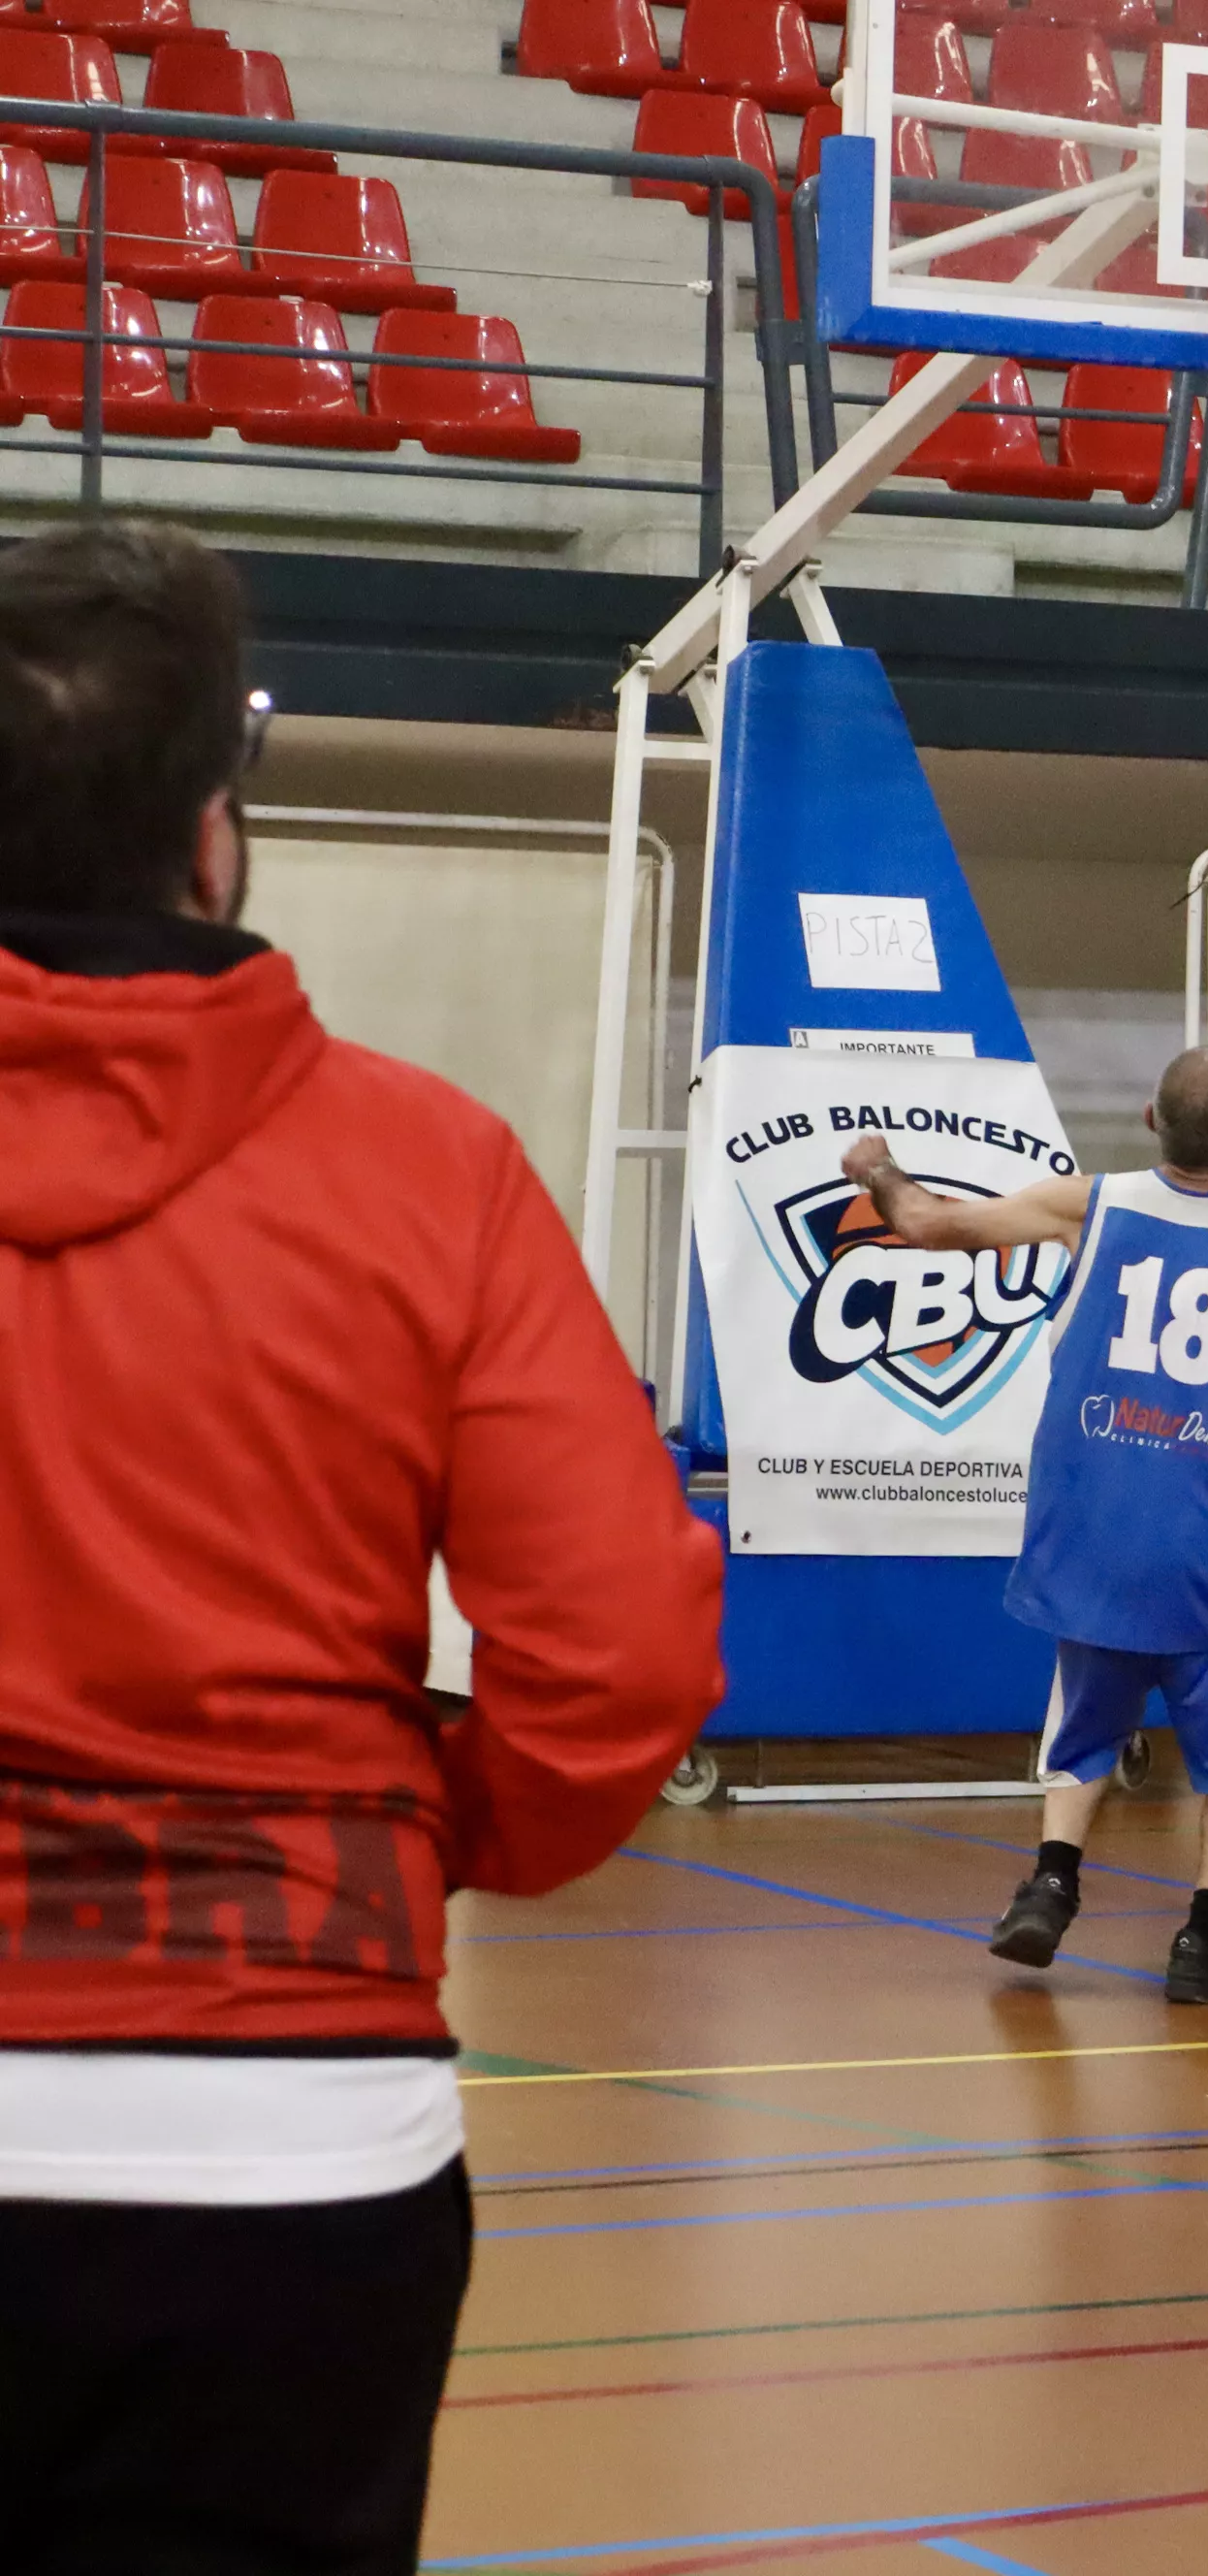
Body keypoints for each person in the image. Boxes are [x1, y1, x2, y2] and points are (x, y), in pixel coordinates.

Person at [0, 523, 727, 2571]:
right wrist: (422, 1819)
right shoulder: (429, 1170)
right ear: (214, 842)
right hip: (288, 2128)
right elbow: (618, 1658)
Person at [841, 1043, 1208, 2006]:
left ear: (1152, 1121)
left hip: (1088, 1539)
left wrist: (875, 1165)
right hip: (1206, 1554)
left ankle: (1051, 1881)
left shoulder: (1091, 1203)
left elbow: (925, 1223)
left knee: (1085, 1711)